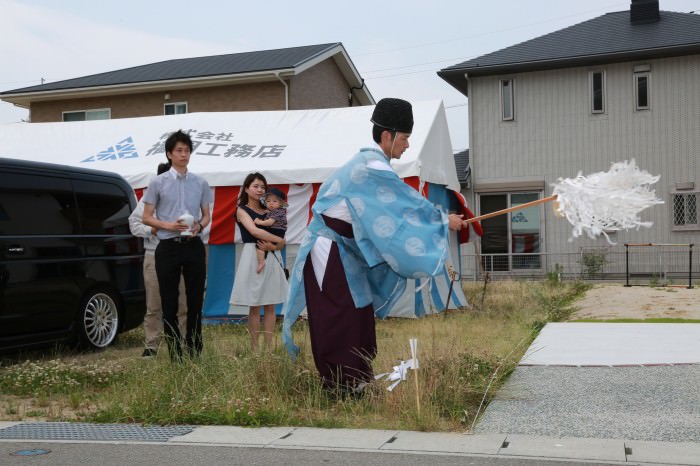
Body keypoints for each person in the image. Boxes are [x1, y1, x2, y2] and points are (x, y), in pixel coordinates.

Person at [282, 98, 468, 396]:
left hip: (344, 252)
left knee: (358, 312)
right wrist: (443, 220)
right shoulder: (370, 167)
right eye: (405, 138)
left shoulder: (373, 165)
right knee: (339, 315)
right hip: (329, 251)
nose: (407, 145)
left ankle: (357, 379)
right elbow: (405, 207)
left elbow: (394, 211)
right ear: (387, 136)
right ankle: (340, 386)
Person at [142, 130, 213, 360]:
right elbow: (146, 216)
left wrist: (199, 227)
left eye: (187, 150)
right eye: (179, 150)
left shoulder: (200, 182)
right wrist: (168, 225)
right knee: (169, 301)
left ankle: (194, 348)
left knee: (194, 300)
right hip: (167, 246)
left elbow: (206, 215)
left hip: (193, 244)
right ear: (169, 154)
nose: (184, 154)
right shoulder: (157, 182)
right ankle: (175, 352)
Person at [129, 163, 188, 358]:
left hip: (179, 254)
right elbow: (133, 223)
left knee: (182, 302)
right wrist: (151, 230)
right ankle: (151, 345)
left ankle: (184, 341)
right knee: (154, 303)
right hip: (154, 255)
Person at [229, 173, 288, 350]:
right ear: (246, 188)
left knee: (270, 304)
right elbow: (254, 232)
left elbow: (281, 233)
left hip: (272, 256)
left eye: (262, 187)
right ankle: (255, 349)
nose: (259, 190)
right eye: (256, 186)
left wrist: (276, 245)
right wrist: (280, 241)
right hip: (252, 257)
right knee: (254, 305)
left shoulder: (271, 210)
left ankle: (268, 348)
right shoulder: (242, 210)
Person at [253, 187, 288, 274]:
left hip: (276, 231)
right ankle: (262, 261)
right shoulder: (275, 211)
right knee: (262, 245)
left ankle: (261, 262)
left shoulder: (278, 212)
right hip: (278, 233)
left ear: (281, 203)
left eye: (274, 201)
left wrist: (259, 222)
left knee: (259, 244)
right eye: (268, 201)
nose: (271, 203)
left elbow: (269, 222)